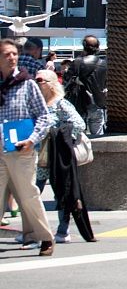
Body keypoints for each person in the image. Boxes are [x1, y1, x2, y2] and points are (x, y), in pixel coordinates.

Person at [0, 38, 56, 255]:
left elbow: (44, 116)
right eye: (7, 54)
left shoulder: (27, 84)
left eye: (14, 54)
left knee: (28, 196)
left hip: (21, 150)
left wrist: (32, 140)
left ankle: (45, 237)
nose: (12, 58)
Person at [31, 70, 93, 244]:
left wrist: (59, 136)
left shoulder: (61, 104)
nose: (36, 83)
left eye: (40, 80)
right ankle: (34, 230)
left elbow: (79, 124)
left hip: (58, 157)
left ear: (51, 84)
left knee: (62, 193)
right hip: (41, 157)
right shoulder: (38, 104)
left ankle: (62, 231)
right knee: (33, 194)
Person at [66, 35, 107, 137]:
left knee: (79, 137)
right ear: (98, 47)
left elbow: (66, 78)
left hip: (80, 103)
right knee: (98, 137)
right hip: (98, 103)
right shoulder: (104, 64)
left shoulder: (78, 62)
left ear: (84, 47)